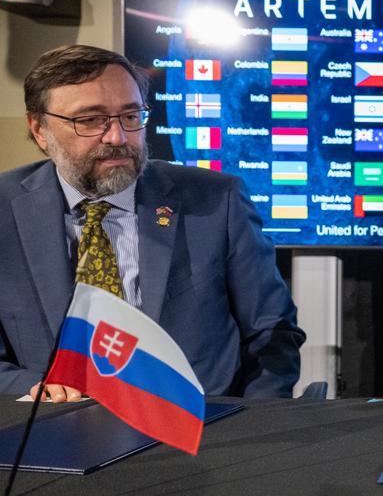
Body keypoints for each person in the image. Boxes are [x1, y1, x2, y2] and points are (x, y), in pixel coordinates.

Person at [0, 44, 304, 400]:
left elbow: (272, 334)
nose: (117, 138)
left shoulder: (216, 201)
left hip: (200, 433)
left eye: (130, 116)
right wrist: (36, 391)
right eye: (90, 120)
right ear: (39, 129)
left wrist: (252, 426)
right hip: (56, 435)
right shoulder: (6, 210)